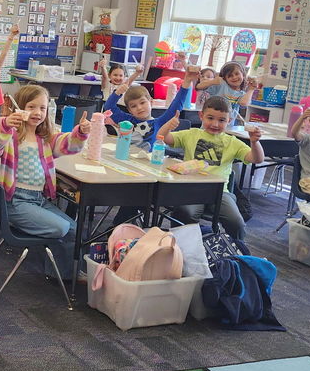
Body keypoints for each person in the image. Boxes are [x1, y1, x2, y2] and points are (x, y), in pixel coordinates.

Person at [0, 84, 91, 278]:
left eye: (42, 108)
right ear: (20, 108)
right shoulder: (12, 134)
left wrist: (81, 133)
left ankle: (63, 275)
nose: (38, 112)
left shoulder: (45, 138)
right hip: (15, 202)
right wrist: (6, 124)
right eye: (32, 107)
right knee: (62, 227)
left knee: (75, 230)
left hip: (38, 199)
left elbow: (69, 145)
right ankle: (58, 269)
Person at [158, 95, 264, 241]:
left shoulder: (232, 142)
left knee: (237, 222)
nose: (215, 124)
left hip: (220, 192)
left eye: (221, 120)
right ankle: (184, 247)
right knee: (187, 213)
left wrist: (254, 142)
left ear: (229, 121)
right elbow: (162, 137)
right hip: (192, 188)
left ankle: (239, 253)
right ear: (201, 116)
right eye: (210, 118)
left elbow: (257, 159)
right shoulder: (192, 134)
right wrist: (168, 126)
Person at [103, 66, 198, 150]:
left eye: (143, 102)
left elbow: (175, 107)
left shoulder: (159, 123)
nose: (139, 108)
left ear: (151, 102)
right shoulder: (127, 121)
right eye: (133, 106)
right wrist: (117, 93)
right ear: (129, 110)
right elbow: (109, 107)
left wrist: (186, 82)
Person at [196, 61, 254, 126]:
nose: (234, 77)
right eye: (230, 76)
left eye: (237, 74)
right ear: (225, 78)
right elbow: (199, 86)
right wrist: (213, 81)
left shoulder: (242, 94)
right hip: (209, 125)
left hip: (227, 128)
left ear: (243, 75)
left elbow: (244, 103)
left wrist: (251, 89)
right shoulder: (221, 85)